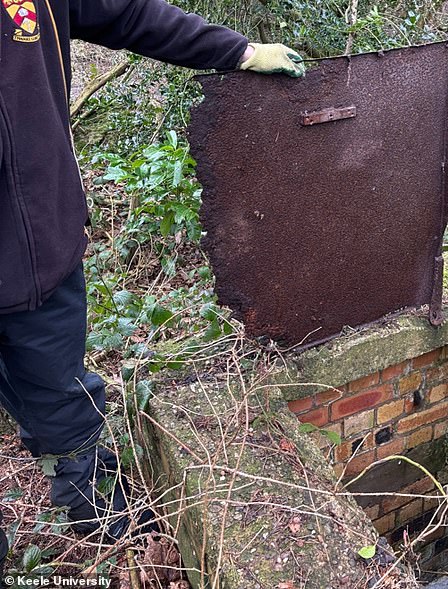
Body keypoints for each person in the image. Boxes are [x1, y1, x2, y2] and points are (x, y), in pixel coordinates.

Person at [0, 0, 304, 575]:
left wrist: (238, 51)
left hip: (44, 250)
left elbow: (129, 15)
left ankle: (116, 539)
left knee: (67, 412)